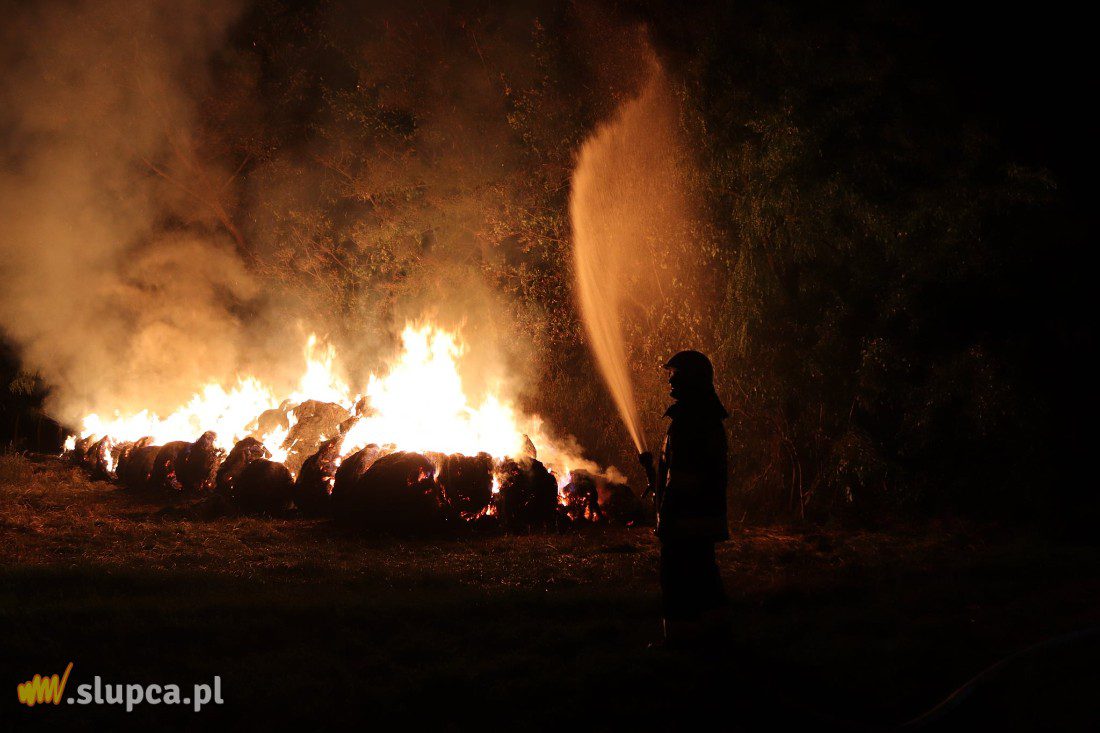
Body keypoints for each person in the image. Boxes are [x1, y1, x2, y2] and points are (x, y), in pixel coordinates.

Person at [640, 350, 729, 647]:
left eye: (675, 375)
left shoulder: (691, 421)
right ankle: (714, 640)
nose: (670, 382)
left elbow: (683, 479)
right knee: (704, 577)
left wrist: (666, 518)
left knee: (677, 579)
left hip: (686, 519)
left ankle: (679, 643)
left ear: (691, 378)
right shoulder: (703, 415)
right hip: (701, 519)